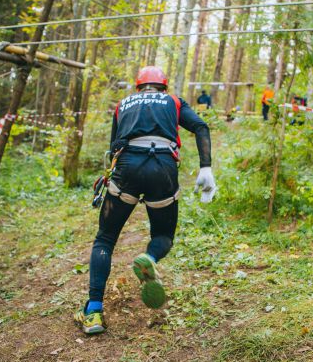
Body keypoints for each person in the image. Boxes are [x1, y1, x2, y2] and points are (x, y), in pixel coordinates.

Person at [74, 66, 216, 334]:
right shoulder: (173, 101)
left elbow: (115, 145)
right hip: (163, 167)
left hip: (127, 167)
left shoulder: (123, 104)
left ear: (138, 87)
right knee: (163, 235)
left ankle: (93, 312)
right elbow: (200, 126)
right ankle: (149, 257)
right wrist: (205, 167)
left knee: (105, 238)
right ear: (163, 86)